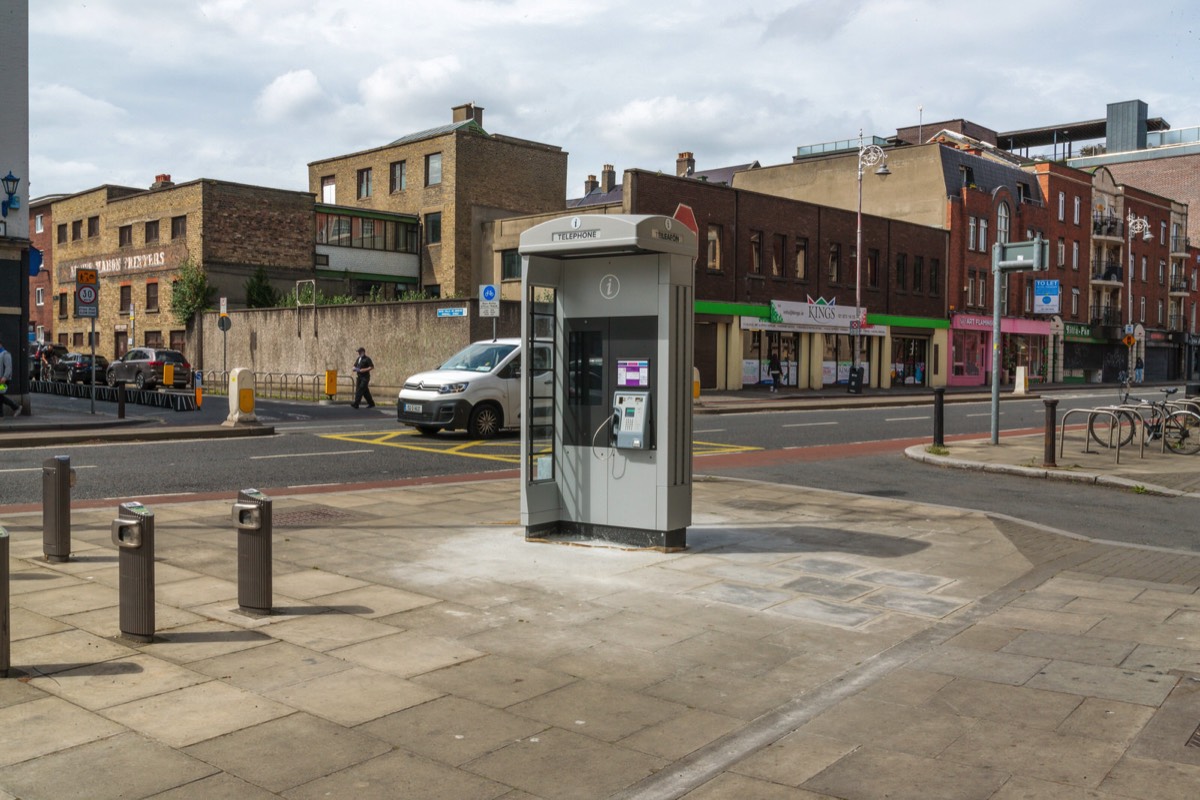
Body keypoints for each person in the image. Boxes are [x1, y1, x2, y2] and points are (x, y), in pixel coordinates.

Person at [0, 340, 21, 417]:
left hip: (4, 380)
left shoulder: (5, 354)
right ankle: (1, 415)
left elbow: (8, 367)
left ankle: (16, 407)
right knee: (0, 396)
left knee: (0, 396)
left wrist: (4, 377)